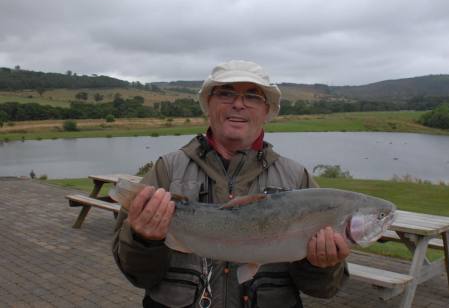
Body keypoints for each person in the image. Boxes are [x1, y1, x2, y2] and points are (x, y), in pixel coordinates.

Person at [112, 60, 350, 308]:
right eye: (226, 93)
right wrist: (143, 241)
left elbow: (322, 290)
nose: (238, 104)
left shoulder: (297, 179)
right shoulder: (167, 170)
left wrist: (322, 265)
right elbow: (137, 275)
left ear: (267, 110)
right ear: (208, 104)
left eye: (252, 96)